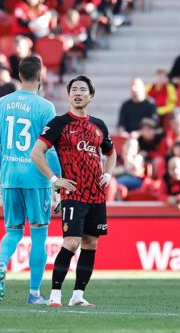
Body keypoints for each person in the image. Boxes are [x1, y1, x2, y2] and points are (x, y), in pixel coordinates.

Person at [31, 75, 117, 307]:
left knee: (91, 243)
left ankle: (78, 296)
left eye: (82, 89)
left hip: (96, 195)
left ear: (91, 96)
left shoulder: (99, 125)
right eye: (74, 89)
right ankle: (55, 295)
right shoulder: (59, 123)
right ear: (69, 95)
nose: (78, 93)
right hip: (73, 193)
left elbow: (111, 152)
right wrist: (54, 179)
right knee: (71, 242)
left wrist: (107, 173)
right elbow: (36, 152)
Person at [0, 55, 60, 304]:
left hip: (9, 176)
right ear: (41, 77)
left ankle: (0, 264)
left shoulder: (2, 103)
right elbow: (49, 150)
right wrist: (57, 181)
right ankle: (34, 293)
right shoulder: (45, 107)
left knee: (12, 231)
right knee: (39, 234)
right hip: (36, 178)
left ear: (19, 75)